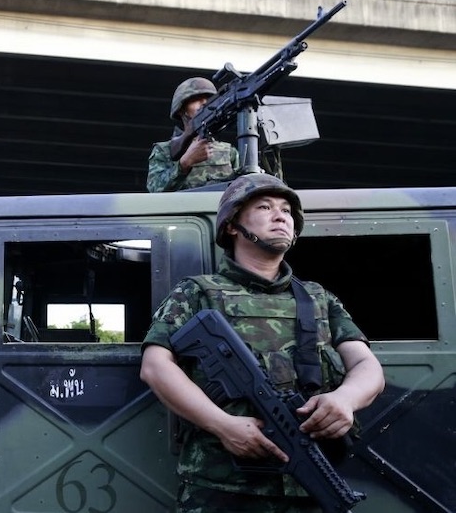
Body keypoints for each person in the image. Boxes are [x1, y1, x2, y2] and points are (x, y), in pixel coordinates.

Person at [139, 173, 384, 512]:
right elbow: (155, 367)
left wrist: (345, 399)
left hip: (306, 487)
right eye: (265, 207)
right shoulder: (198, 292)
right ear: (232, 226)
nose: (280, 215)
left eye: (286, 210)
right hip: (220, 484)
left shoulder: (318, 298)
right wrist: (222, 425)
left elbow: (367, 366)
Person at [146, 77, 242, 192]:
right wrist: (185, 163)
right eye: (196, 100)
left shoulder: (228, 151)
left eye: (209, 99)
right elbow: (154, 189)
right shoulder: (164, 150)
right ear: (182, 110)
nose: (204, 103)